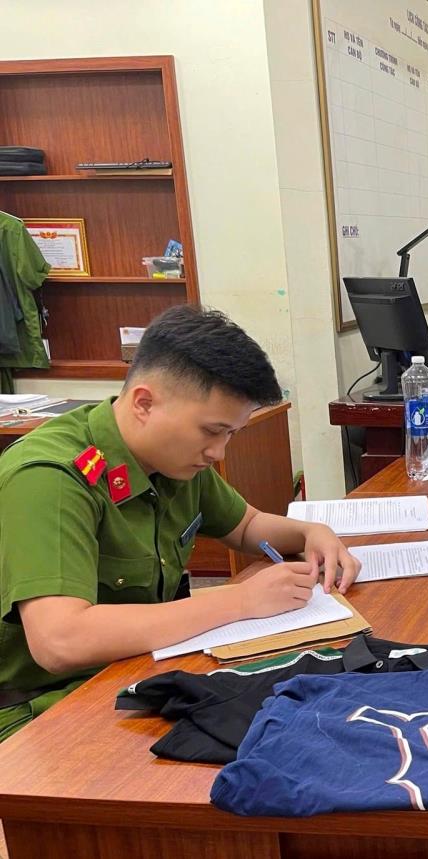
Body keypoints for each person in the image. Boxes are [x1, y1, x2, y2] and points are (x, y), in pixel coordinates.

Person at [0, 305, 362, 741]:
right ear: (144, 403)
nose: (219, 452)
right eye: (211, 431)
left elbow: (245, 526)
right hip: (41, 710)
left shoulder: (172, 459)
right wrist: (240, 601)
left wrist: (309, 532)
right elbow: (60, 641)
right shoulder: (51, 478)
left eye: (230, 434)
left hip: (137, 671)